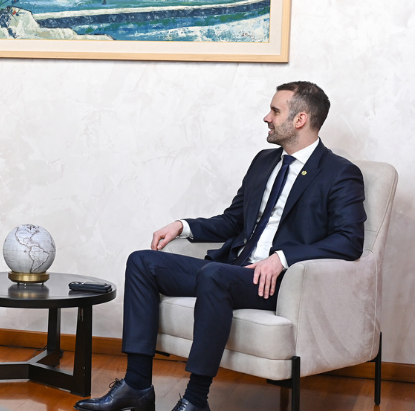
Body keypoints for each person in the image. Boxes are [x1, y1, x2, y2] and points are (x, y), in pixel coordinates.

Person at [74, 81, 366, 411]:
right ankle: (137, 386)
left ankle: (195, 399)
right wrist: (183, 226)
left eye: (275, 111)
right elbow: (233, 220)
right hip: (232, 270)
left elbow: (349, 240)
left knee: (214, 274)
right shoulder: (264, 161)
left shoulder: (340, 173)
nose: (266, 118)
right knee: (142, 262)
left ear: (300, 119)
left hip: (275, 282)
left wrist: (283, 258)